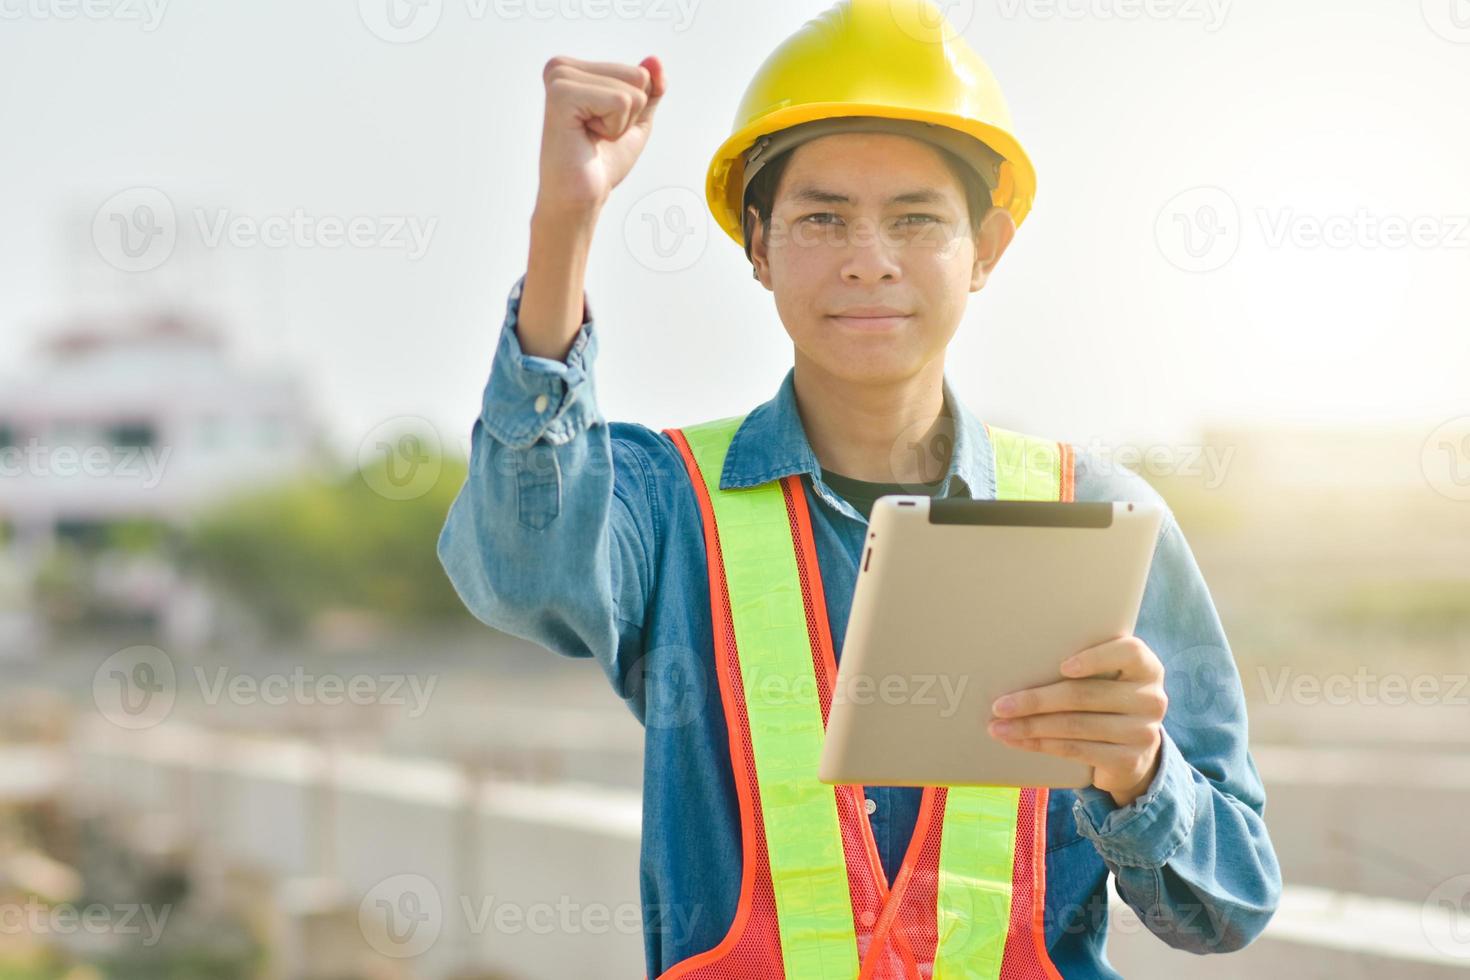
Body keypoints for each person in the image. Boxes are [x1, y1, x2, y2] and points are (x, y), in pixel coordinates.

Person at [437, 1, 1280, 976]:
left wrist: (1138, 773)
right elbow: (512, 560)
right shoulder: (666, 502)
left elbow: (1229, 905)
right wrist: (566, 222)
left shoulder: (1098, 515)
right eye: (820, 216)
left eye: (916, 219)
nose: (868, 257)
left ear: (988, 249)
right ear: (757, 245)